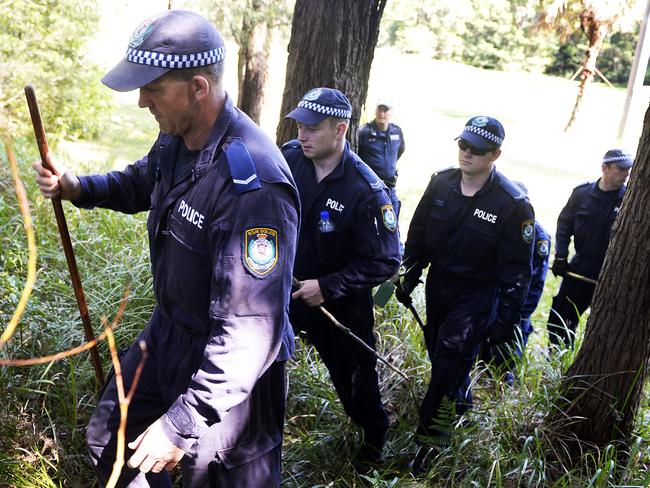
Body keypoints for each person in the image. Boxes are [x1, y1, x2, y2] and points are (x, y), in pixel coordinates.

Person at [33, 10, 299, 487]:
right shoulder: (178, 138)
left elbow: (252, 330)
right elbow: (142, 181)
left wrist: (183, 422)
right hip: (168, 335)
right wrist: (79, 188)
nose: (141, 102)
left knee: (211, 476)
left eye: (152, 89)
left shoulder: (251, 185)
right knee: (112, 440)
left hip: (227, 369)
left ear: (198, 87)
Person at [395, 116, 534, 469]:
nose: (468, 154)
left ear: (496, 154)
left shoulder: (512, 204)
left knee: (446, 366)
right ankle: (463, 408)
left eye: (478, 149)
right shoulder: (440, 184)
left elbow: (518, 273)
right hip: (440, 287)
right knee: (444, 360)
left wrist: (504, 326)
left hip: (477, 296)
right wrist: (407, 278)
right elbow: (418, 238)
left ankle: (429, 446)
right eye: (464, 145)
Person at [281, 88, 401, 469]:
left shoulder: (367, 191)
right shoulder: (289, 158)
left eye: (313, 128)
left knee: (355, 380)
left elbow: (386, 262)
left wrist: (329, 286)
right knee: (262, 361)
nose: (303, 135)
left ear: (340, 129)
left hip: (340, 305)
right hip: (284, 288)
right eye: (300, 125)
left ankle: (373, 441)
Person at [546, 149, 633, 348]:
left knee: (606, 327)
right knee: (560, 319)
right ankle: (558, 360)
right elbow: (564, 225)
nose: (626, 174)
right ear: (605, 168)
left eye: (628, 169)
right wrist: (561, 256)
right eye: (621, 169)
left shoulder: (628, 199)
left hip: (613, 271)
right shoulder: (582, 194)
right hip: (581, 266)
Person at [480, 182, 551, 385]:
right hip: (494, 297)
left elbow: (535, 281)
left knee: (509, 348)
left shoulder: (538, 236)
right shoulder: (499, 223)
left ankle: (505, 383)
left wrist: (522, 310)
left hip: (518, 303)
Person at [357, 101, 405, 218]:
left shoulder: (397, 132)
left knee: (392, 224)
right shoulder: (364, 132)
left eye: (385, 110)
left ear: (391, 112)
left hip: (390, 188)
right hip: (370, 188)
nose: (382, 114)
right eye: (379, 109)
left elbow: (400, 150)